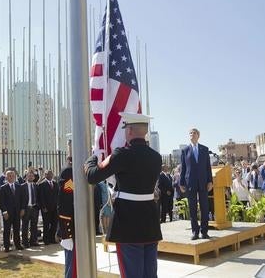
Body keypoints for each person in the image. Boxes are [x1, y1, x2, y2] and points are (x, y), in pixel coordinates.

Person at [85, 112, 163, 278]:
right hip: (150, 223)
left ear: (129, 131)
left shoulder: (122, 155)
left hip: (128, 224)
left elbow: (92, 176)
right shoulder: (156, 158)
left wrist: (92, 158)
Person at [179, 128, 213, 240]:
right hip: (190, 183)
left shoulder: (204, 149)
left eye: (194, 133)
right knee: (192, 208)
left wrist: (210, 181)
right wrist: (181, 183)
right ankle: (195, 232)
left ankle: (204, 231)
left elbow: (208, 167)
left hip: (203, 182)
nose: (192, 135)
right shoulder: (185, 150)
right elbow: (183, 168)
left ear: (198, 135)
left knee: (204, 207)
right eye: (190, 133)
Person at [58, 156, 76, 278]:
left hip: (78, 222)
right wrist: (66, 233)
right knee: (72, 263)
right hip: (72, 225)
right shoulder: (69, 172)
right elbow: (65, 202)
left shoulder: (74, 169)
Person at [0, 169, 25, 252]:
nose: (11, 177)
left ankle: (17, 245)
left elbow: (23, 199)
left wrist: (22, 209)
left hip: (17, 212)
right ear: (6, 177)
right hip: (7, 213)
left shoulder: (19, 187)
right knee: (7, 230)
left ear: (15, 176)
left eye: (13, 176)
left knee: (17, 229)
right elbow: (1, 202)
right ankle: (6, 246)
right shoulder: (3, 188)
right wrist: (4, 212)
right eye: (9, 176)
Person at [38, 169, 58, 245]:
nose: (50, 175)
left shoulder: (55, 184)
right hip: (46, 208)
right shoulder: (42, 185)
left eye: (51, 174)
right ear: (45, 175)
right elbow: (41, 197)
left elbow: (57, 195)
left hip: (54, 208)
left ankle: (52, 238)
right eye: (48, 174)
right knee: (46, 224)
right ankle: (46, 240)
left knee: (54, 224)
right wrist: (43, 207)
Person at [21, 169, 40, 247]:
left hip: (34, 208)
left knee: (34, 225)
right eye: (29, 175)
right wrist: (22, 209)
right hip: (26, 208)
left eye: (32, 176)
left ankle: (33, 241)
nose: (31, 177)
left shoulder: (36, 186)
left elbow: (38, 197)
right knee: (25, 226)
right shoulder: (22, 186)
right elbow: (20, 199)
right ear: (26, 177)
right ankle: (25, 242)